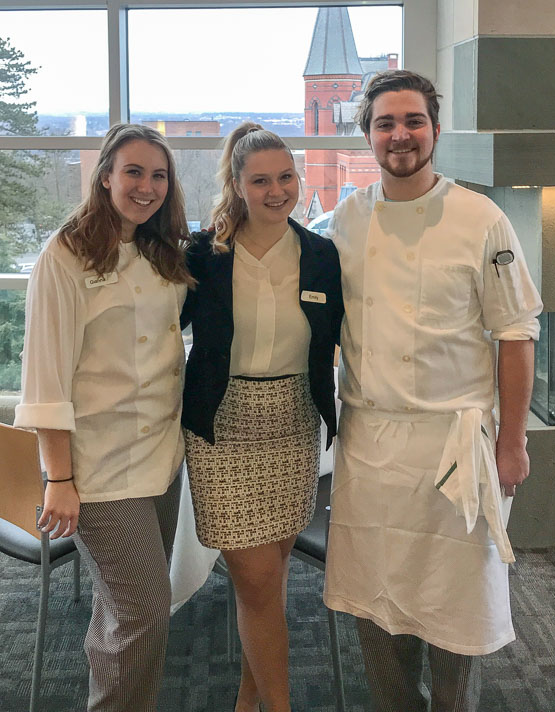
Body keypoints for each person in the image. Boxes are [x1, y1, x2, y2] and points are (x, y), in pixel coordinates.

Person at [323, 70, 543, 712]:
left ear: (435, 131)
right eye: (385, 123)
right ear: (367, 136)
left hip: (455, 447)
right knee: (376, 603)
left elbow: (516, 332)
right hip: (371, 444)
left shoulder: (481, 218)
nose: (400, 135)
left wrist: (513, 443)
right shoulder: (346, 220)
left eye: (413, 121)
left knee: (455, 608)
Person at [14, 123, 193, 712]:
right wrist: (58, 479)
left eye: (158, 175)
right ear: (106, 176)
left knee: (120, 611)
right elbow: (46, 379)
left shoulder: (160, 249)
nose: (146, 186)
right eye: (133, 172)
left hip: (162, 460)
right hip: (98, 468)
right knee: (143, 612)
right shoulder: (66, 253)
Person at [180, 123, 343, 712]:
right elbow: (156, 323)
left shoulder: (321, 253)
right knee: (255, 580)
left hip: (295, 422)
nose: (277, 191)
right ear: (237, 184)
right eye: (261, 181)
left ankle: (248, 698)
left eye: (286, 178)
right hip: (223, 426)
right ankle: (280, 704)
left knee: (267, 580)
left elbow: (344, 333)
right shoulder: (204, 252)